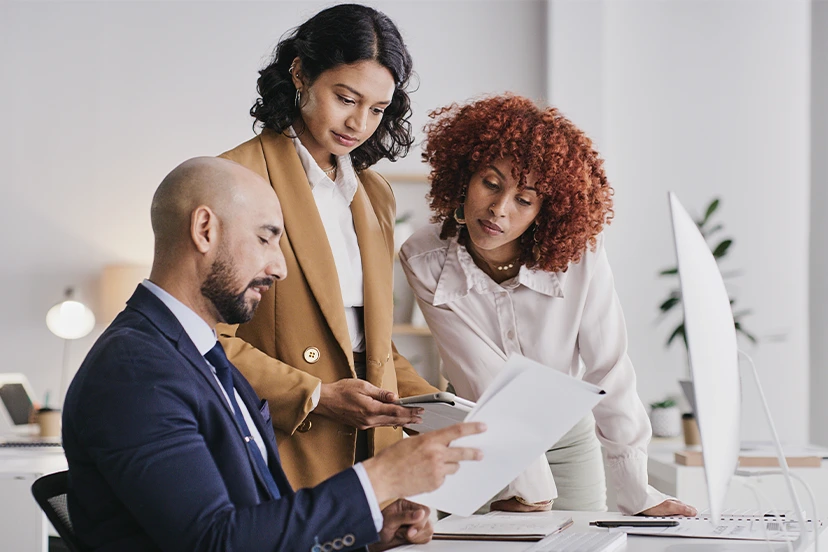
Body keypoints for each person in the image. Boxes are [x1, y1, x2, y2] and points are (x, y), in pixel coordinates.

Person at [62, 157, 485, 551]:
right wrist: (379, 479)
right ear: (204, 229)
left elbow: (256, 523)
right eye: (266, 239)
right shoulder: (136, 371)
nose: (280, 268)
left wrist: (368, 530)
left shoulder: (198, 352)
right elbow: (215, 542)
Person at [399, 95, 697, 517]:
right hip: (478, 432)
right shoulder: (424, 256)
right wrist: (526, 486)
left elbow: (608, 367)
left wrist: (636, 491)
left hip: (568, 437)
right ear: (465, 175)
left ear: (546, 210)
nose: (499, 209)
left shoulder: (581, 255)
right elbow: (478, 373)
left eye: (524, 199)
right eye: (491, 183)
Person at [217, 4, 438, 490]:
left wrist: (444, 411)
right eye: (345, 98)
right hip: (283, 441)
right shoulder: (237, 180)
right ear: (300, 73)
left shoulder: (374, 193)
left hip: (372, 447)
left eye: (377, 109)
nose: (359, 123)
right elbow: (206, 339)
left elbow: (370, 344)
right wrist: (315, 394)